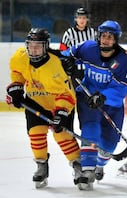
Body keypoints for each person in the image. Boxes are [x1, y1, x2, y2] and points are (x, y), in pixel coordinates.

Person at [5, 28, 81, 189]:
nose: (33, 49)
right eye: (30, 45)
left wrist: (60, 113)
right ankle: (41, 165)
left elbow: (67, 94)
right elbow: (17, 73)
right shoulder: (20, 57)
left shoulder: (57, 65)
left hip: (59, 103)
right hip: (35, 101)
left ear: (46, 46)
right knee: (35, 133)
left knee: (62, 136)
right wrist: (16, 88)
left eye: (38, 46)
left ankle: (77, 165)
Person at [61, 20, 127, 190]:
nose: (106, 39)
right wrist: (68, 63)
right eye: (104, 36)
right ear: (98, 36)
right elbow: (66, 55)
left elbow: (120, 90)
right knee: (90, 128)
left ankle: (99, 164)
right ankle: (87, 170)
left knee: (109, 145)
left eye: (110, 37)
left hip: (111, 105)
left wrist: (103, 97)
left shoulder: (123, 61)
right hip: (87, 96)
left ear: (116, 40)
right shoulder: (87, 48)